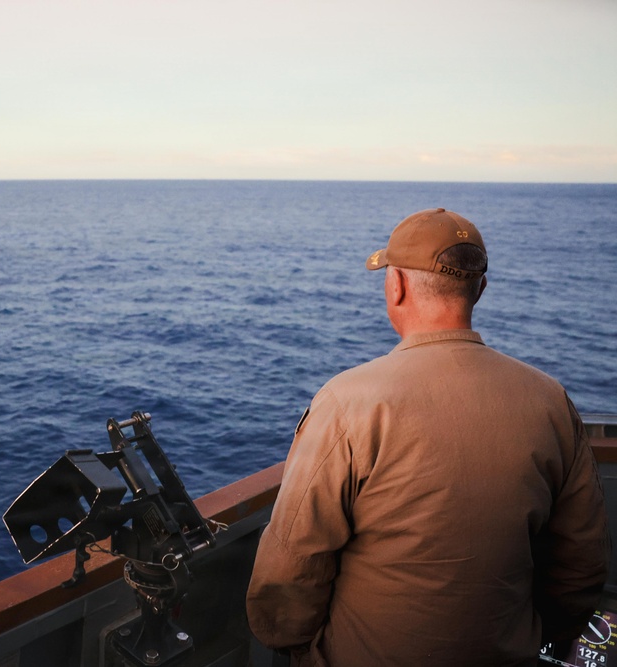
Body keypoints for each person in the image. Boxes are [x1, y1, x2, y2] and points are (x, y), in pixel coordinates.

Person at [246, 208, 610, 666]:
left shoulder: (347, 402)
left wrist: (294, 644)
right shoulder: (550, 400)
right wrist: (545, 633)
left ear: (395, 286)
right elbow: (582, 559)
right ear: (479, 289)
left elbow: (290, 568)